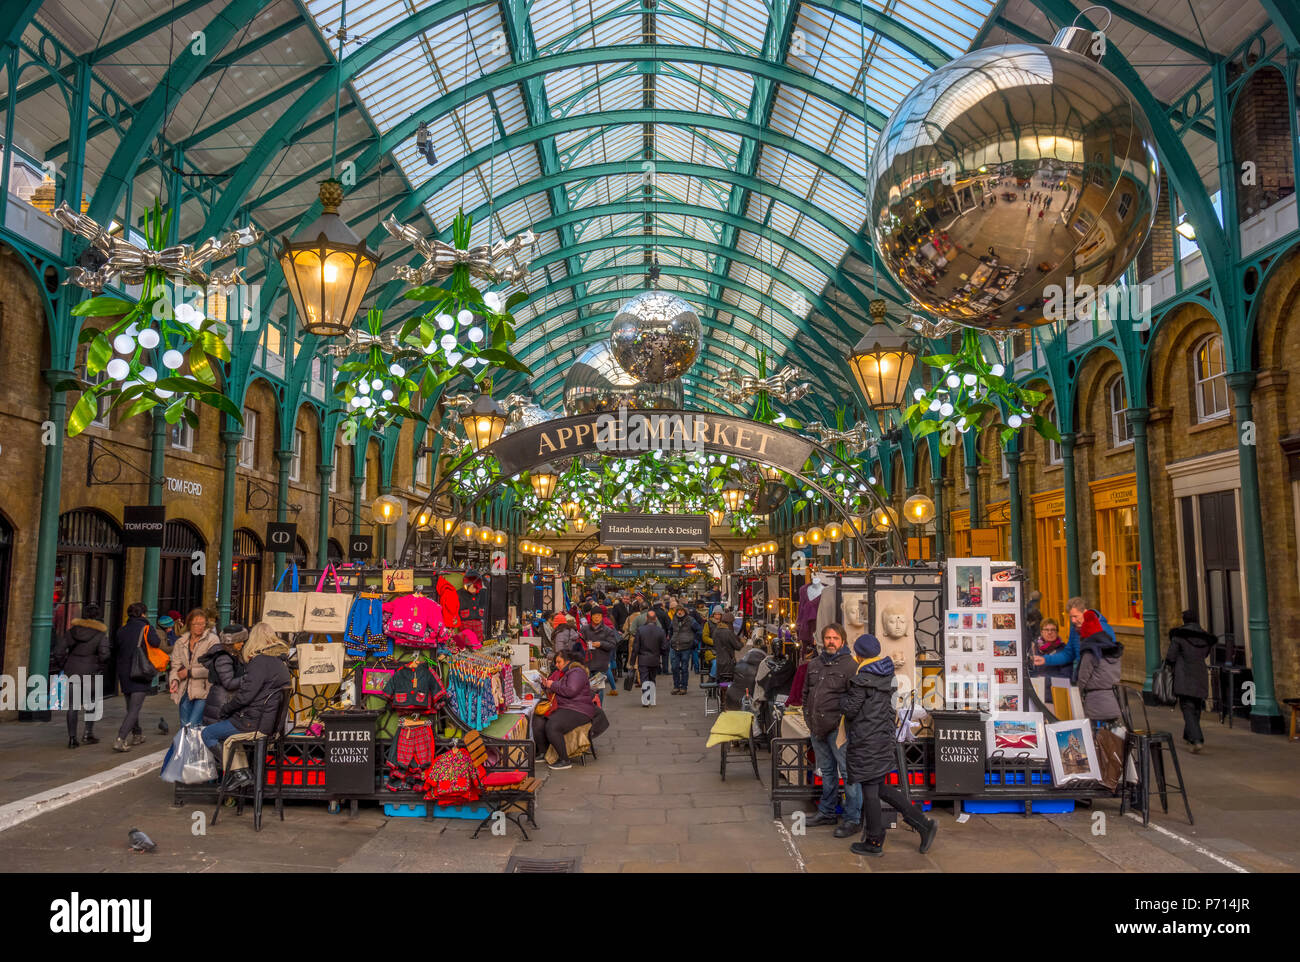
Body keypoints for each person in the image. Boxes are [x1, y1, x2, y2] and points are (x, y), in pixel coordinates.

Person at [840, 633, 938, 857]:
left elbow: (850, 709)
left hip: (866, 742)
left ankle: (874, 842)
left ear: (859, 656)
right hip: (882, 739)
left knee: (871, 792)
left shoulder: (860, 680)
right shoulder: (888, 676)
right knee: (878, 788)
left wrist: (841, 699)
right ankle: (922, 824)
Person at [801, 623, 862, 837]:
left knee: (848, 773)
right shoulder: (814, 664)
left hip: (838, 730)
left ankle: (853, 818)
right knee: (827, 772)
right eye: (828, 638)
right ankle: (826, 812)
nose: (831, 641)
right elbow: (806, 693)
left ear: (843, 641)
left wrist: (842, 723)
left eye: (835, 638)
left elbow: (855, 699)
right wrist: (808, 718)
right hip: (817, 728)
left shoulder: (850, 666)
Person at [200, 623, 291, 763]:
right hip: (267, 722)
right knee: (227, 732)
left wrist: (226, 709)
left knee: (208, 733)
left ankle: (238, 772)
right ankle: (241, 772)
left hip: (254, 723)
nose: (243, 643)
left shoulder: (259, 662)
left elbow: (244, 697)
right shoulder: (279, 662)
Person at [54, 602, 110, 748]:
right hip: (91, 670)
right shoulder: (100, 634)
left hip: (72, 669)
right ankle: (88, 733)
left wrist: (64, 665)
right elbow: (104, 654)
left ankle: (72, 738)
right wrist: (100, 665)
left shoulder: (72, 631)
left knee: (72, 705)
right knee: (91, 703)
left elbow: (59, 651)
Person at [534, 646, 598, 770]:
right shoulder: (561, 673)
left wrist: (552, 684)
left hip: (579, 709)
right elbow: (555, 688)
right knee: (538, 720)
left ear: (567, 661)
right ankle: (543, 752)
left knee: (553, 725)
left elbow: (571, 690)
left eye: (559, 662)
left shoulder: (577, 672)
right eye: (556, 662)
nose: (557, 665)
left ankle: (564, 759)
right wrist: (546, 685)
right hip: (565, 707)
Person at [1031, 596, 1115, 682]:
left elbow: (1109, 659)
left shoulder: (1103, 629)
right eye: (1071, 617)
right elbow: (1068, 654)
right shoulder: (1075, 629)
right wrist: (1045, 659)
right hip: (1082, 677)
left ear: (1085, 612)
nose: (1073, 620)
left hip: (1099, 680)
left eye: (1075, 616)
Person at [1166, 610, 1214, 752]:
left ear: (1184, 620)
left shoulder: (1179, 636)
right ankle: (1188, 735)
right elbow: (1205, 653)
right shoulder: (1205, 636)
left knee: (1187, 707)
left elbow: (1171, 656)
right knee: (1197, 706)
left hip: (1184, 674)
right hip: (1200, 673)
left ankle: (1197, 739)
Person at [112, 603, 154, 752]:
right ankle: (120, 738)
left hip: (124, 673)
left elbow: (116, 648)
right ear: (143, 614)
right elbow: (156, 643)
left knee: (130, 706)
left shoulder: (121, 630)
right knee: (134, 708)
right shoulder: (146, 629)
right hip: (140, 672)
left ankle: (137, 734)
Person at [168, 608, 219, 728]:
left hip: (204, 690)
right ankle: (187, 747)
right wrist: (174, 680)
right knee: (184, 726)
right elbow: (175, 666)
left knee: (193, 725)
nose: (200, 627)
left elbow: (214, 667)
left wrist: (190, 673)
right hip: (184, 690)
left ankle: (190, 747)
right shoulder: (181, 642)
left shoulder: (212, 640)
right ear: (190, 623)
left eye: (203, 624)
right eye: (196, 624)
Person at [1075, 609, 1123, 723]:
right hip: (1114, 701)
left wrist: (1077, 696)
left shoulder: (1090, 653)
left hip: (1095, 704)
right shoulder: (1115, 651)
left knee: (1097, 738)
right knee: (1111, 736)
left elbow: (1082, 679)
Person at [199, 624, 248, 725]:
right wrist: (248, 678)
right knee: (218, 734)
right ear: (231, 642)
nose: (242, 643)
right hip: (222, 702)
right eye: (239, 641)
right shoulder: (224, 658)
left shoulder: (234, 654)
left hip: (224, 700)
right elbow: (228, 683)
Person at [632, 611, 668, 705]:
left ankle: (646, 698)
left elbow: (635, 647)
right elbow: (664, 647)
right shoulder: (660, 631)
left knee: (644, 679)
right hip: (655, 659)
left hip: (643, 659)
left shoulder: (640, 630)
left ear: (646, 618)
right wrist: (662, 655)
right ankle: (651, 698)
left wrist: (632, 661)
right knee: (652, 678)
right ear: (655, 619)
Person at [582, 607, 618, 697]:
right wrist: (584, 645)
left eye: (599, 615)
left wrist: (600, 644)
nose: (597, 617)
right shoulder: (585, 629)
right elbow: (579, 643)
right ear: (591, 617)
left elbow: (612, 645)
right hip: (587, 663)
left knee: (598, 689)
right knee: (587, 689)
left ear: (602, 617)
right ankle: (591, 709)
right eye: (594, 615)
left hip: (600, 663)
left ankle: (599, 708)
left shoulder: (607, 630)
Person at [1028, 620, 1071, 684]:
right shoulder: (1034, 648)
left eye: (1053, 630)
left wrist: (1044, 679)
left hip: (1055, 690)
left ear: (1057, 632)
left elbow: (1066, 675)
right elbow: (1029, 671)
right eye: (1046, 630)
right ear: (1041, 632)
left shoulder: (1064, 650)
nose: (1050, 632)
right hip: (1036, 688)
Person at [668, 604, 699, 695]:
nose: (680, 612)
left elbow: (699, 630)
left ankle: (684, 687)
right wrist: (671, 640)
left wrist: (694, 642)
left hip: (686, 647)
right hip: (675, 646)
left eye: (681, 610)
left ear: (684, 611)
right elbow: (670, 630)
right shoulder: (673, 620)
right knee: (674, 668)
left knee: (684, 668)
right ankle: (676, 686)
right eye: (678, 611)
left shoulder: (691, 620)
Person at [709, 609, 742, 681]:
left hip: (719, 661)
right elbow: (738, 647)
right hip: (728, 663)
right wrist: (742, 642)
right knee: (728, 683)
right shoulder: (728, 632)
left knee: (720, 683)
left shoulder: (716, 631)